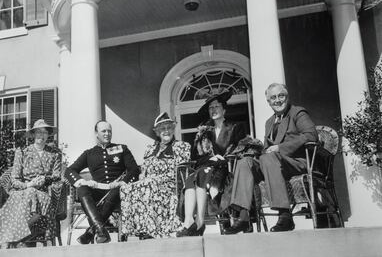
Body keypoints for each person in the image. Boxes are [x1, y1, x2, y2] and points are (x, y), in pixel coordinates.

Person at [224, 83, 318, 234]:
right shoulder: (269, 122)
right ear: (268, 101)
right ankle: (243, 218)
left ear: (287, 97)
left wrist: (280, 148)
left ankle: (285, 215)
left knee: (269, 158)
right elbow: (267, 149)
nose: (277, 100)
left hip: (294, 162)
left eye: (281, 96)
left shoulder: (297, 113)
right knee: (244, 163)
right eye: (273, 98)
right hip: (273, 165)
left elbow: (311, 135)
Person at [176, 90, 247, 237]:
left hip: (228, 170)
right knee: (190, 179)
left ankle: (200, 222)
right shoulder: (204, 132)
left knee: (202, 173)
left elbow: (240, 150)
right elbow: (196, 157)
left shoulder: (235, 127)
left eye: (216, 106)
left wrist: (221, 159)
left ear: (224, 109)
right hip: (207, 168)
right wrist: (210, 160)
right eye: (211, 108)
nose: (213, 110)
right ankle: (189, 221)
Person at [65, 121, 140, 244]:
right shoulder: (89, 153)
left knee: (116, 191)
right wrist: (83, 181)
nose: (107, 134)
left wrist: (123, 182)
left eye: (109, 131)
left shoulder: (122, 148)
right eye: (103, 131)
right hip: (98, 190)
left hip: (117, 190)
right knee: (82, 189)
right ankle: (99, 229)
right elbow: (69, 170)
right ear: (96, 133)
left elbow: (134, 169)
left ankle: (91, 232)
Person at [120, 112, 191, 239]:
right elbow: (144, 171)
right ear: (157, 132)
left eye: (169, 128)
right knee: (126, 188)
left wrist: (154, 179)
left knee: (149, 184)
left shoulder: (182, 146)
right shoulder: (150, 149)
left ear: (173, 129)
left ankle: (154, 230)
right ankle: (134, 230)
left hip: (171, 185)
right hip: (150, 183)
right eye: (162, 129)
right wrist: (142, 178)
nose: (166, 131)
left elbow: (182, 170)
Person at [0, 119, 62, 247]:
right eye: (38, 132)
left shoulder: (54, 153)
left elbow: (57, 175)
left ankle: (15, 237)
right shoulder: (22, 152)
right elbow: (14, 180)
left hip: (43, 192)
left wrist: (45, 179)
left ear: (48, 135)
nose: (41, 135)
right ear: (33, 135)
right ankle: (21, 237)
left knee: (33, 194)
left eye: (44, 132)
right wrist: (28, 184)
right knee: (27, 193)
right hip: (22, 191)